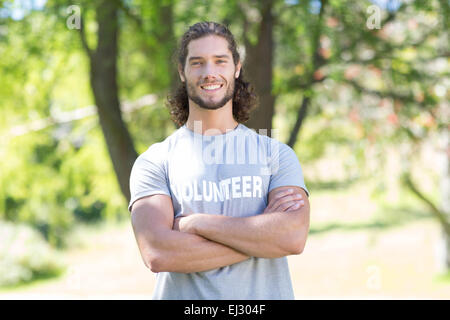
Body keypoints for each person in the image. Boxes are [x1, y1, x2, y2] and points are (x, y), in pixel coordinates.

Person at [128, 21, 310, 300]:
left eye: (220, 61)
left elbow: (293, 238)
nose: (209, 72)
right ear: (182, 71)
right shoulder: (155, 161)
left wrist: (196, 224)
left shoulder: (276, 155)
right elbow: (158, 252)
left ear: (236, 68)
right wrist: (261, 236)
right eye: (198, 63)